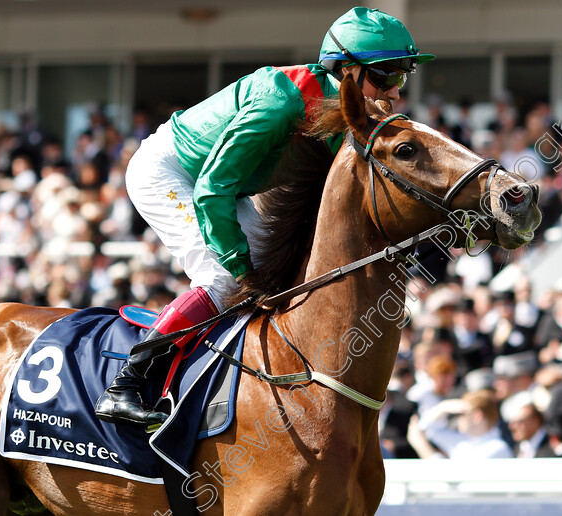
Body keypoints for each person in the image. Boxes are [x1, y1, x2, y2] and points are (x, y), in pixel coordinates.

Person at [94, 6, 435, 425]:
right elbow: (211, 188)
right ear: (346, 71)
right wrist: (239, 265)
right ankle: (126, 383)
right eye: (387, 76)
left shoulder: (342, 116)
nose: (396, 92)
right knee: (223, 278)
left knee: (286, 271)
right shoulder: (278, 101)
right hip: (173, 171)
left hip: (225, 186)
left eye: (402, 78)